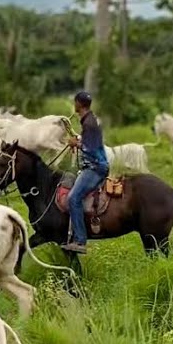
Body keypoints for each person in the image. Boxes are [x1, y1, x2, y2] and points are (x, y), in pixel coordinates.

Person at [63, 91, 109, 254]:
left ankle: (80, 241)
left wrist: (77, 144)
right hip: (93, 166)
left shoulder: (89, 123)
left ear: (78, 104)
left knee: (73, 198)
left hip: (95, 168)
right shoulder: (89, 120)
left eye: (74, 102)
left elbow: (93, 149)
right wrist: (79, 140)